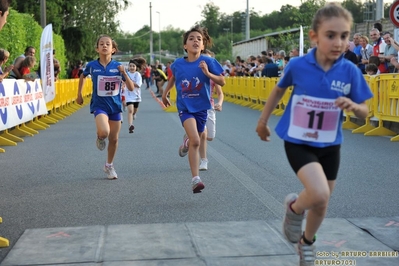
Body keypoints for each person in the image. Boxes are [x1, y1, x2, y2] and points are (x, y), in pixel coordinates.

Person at [255, 3, 373, 266]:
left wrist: (354, 106)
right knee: (319, 193)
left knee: (321, 202)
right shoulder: (298, 65)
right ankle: (294, 209)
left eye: (344, 36)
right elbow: (278, 90)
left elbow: (366, 111)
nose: (338, 42)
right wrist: (263, 121)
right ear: (314, 36)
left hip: (330, 144)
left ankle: (307, 242)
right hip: (298, 140)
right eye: (331, 35)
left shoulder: (350, 71)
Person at [162, 25, 225, 193]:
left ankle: (186, 143)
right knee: (196, 140)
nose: (195, 41)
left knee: (195, 139)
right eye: (191, 39)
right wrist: (165, 93)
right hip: (185, 107)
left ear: (203, 45)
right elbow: (173, 78)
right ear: (185, 46)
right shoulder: (177, 64)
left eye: (199, 39)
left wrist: (207, 73)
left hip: (202, 108)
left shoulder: (209, 62)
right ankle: (195, 179)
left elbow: (222, 81)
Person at [76, 34, 135, 180]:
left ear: (113, 49)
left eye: (107, 44)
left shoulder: (118, 67)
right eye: (101, 44)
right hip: (99, 105)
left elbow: (131, 88)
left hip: (115, 106)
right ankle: (100, 136)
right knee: (104, 132)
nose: (104, 46)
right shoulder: (91, 66)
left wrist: (124, 74)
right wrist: (79, 94)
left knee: (114, 139)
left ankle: (109, 165)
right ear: (97, 49)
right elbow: (82, 76)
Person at [198, 49, 224, 171]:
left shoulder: (213, 76)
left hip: (210, 107)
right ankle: (204, 160)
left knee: (210, 137)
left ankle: (189, 135)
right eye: (203, 59)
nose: (205, 62)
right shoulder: (195, 74)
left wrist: (220, 103)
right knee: (203, 134)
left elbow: (220, 93)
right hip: (197, 107)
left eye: (208, 60)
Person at [125, 57, 146, 133]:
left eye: (133, 66)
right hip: (128, 95)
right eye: (130, 66)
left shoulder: (137, 75)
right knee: (130, 110)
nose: (131, 67)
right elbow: (123, 82)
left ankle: (134, 114)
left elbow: (138, 85)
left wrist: (129, 82)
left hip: (136, 95)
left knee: (134, 110)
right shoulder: (126, 74)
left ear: (136, 67)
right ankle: (130, 125)